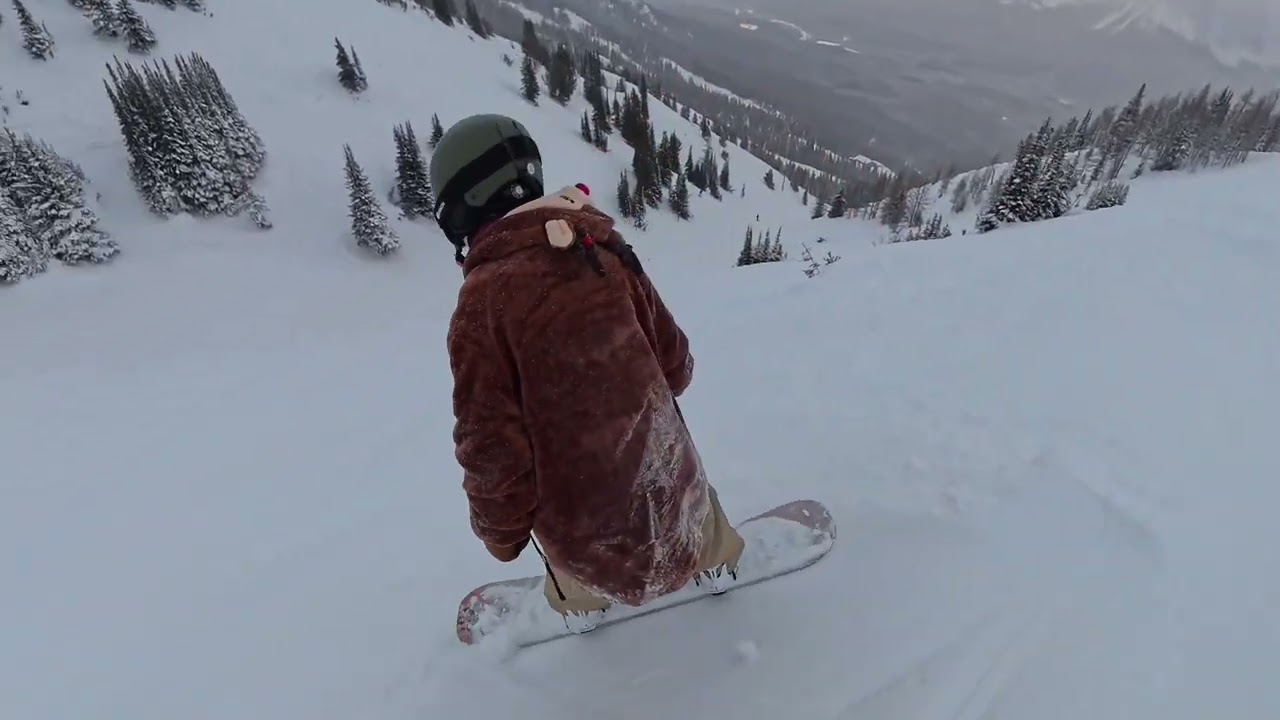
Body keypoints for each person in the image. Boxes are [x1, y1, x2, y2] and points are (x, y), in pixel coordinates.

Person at [429, 113, 746, 633]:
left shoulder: (482, 305)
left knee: (573, 561)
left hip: (588, 543)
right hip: (675, 493)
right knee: (695, 514)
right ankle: (719, 565)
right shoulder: (601, 248)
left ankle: (581, 608)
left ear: (461, 209)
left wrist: (502, 536)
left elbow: (492, 453)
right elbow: (675, 365)